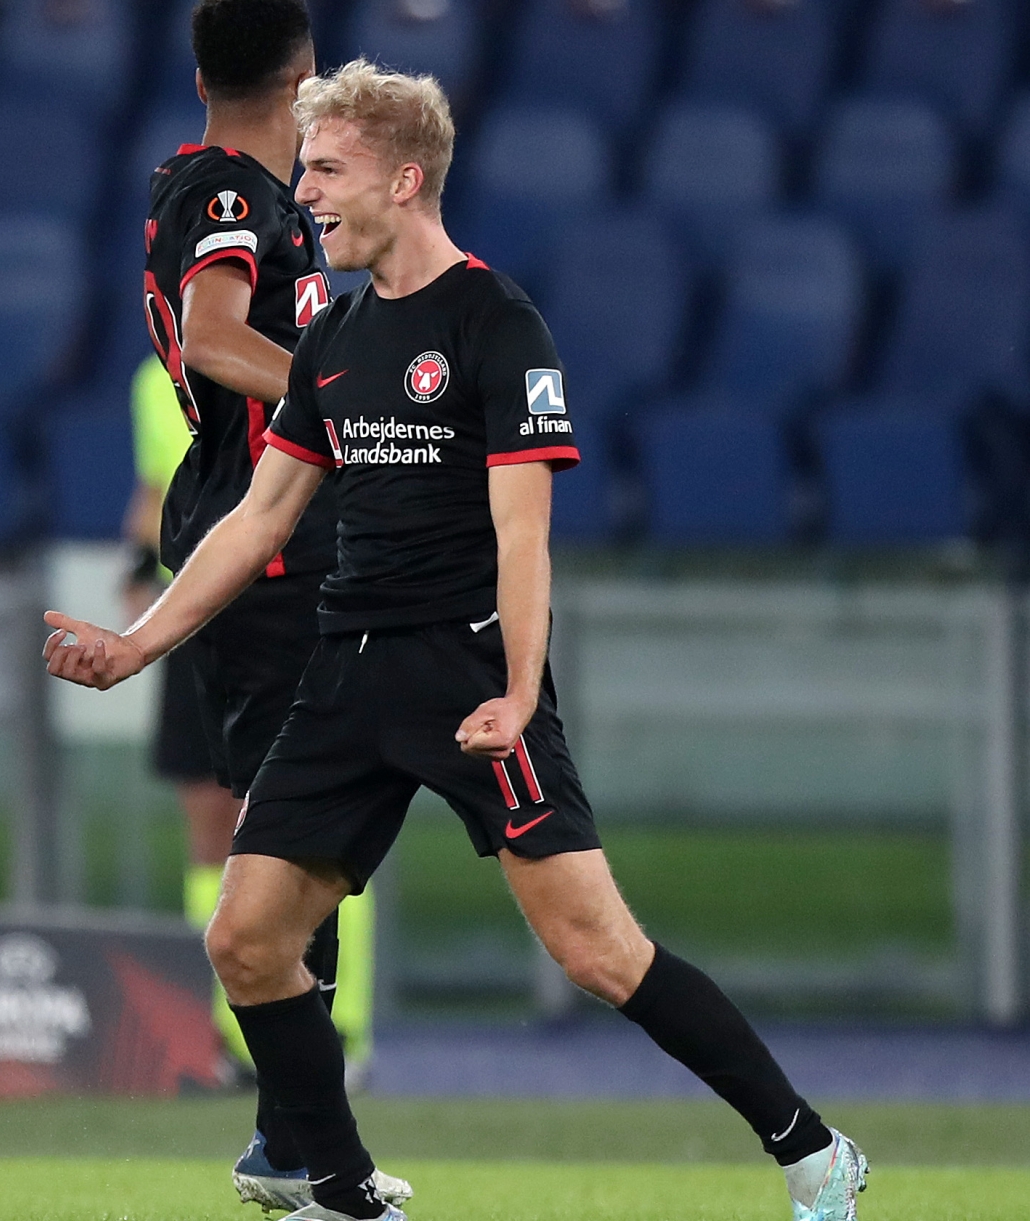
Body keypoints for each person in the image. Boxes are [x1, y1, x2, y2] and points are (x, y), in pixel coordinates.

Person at [45, 60, 866, 1221]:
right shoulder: (329, 335)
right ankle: (336, 1187)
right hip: (347, 671)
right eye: (305, 169)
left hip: (469, 669)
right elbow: (258, 518)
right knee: (246, 941)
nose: (306, 196)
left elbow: (523, 536)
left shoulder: (496, 321)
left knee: (598, 954)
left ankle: (811, 1148)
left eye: (327, 172)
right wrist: (133, 647)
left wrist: (521, 690)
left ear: (405, 177)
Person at [139, 3, 399, 1213]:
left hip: (288, 535)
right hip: (265, 549)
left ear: (200, 71)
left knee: (311, 840)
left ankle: (291, 1140)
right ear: (303, 79)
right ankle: (300, 1147)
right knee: (295, 835)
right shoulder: (230, 194)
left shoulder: (241, 186)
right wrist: (353, 405)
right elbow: (209, 336)